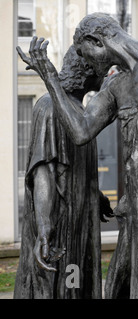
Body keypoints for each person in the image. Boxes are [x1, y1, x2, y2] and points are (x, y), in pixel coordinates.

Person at [17, 13, 138, 299]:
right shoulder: (115, 86)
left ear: (97, 41)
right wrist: (50, 77)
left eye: (87, 55)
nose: (88, 65)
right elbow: (81, 131)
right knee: (120, 286)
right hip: (135, 205)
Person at [14, 45, 113, 299]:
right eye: (102, 68)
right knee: (61, 287)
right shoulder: (49, 106)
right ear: (87, 70)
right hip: (61, 225)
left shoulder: (80, 113)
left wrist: (94, 193)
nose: (105, 74)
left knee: (76, 285)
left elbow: (70, 168)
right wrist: (44, 228)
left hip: (80, 220)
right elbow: (44, 171)